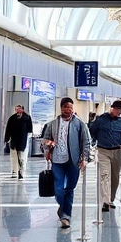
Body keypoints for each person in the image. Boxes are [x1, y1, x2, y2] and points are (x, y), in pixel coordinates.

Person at [42, 97, 92, 229]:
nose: (68, 110)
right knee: (58, 188)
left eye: (70, 107)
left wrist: (85, 158)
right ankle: (63, 209)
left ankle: (65, 216)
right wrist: (48, 145)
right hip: (57, 160)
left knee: (70, 188)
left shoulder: (79, 124)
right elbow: (45, 139)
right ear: (61, 108)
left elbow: (86, 141)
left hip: (73, 160)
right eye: (65, 107)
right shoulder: (52, 124)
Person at [90, 100, 121, 212]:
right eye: (118, 110)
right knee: (104, 175)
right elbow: (92, 131)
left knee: (115, 177)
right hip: (103, 151)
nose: (119, 113)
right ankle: (105, 201)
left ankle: (111, 199)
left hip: (117, 151)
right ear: (113, 108)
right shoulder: (101, 120)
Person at [4, 104, 34, 179]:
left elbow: (30, 130)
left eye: (19, 109)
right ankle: (14, 170)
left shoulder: (27, 118)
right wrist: (7, 139)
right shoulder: (12, 118)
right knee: (13, 157)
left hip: (23, 140)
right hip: (14, 140)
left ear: (22, 110)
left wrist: (28, 138)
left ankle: (22, 171)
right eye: (16, 109)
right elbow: (8, 129)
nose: (18, 111)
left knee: (22, 157)